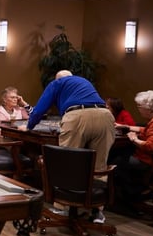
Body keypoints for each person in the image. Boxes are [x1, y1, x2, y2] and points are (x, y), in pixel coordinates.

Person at [23, 70, 115, 223]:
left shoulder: (57, 83)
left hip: (76, 116)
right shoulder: (84, 81)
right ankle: (96, 210)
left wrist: (29, 126)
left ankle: (62, 208)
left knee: (67, 162)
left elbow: (39, 109)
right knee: (99, 164)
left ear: (57, 78)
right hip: (105, 116)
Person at [113, 90, 153, 204]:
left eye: (139, 106)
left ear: (150, 108)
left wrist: (134, 138)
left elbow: (150, 146)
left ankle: (135, 194)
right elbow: (149, 131)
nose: (139, 109)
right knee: (125, 155)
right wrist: (128, 127)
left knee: (116, 161)